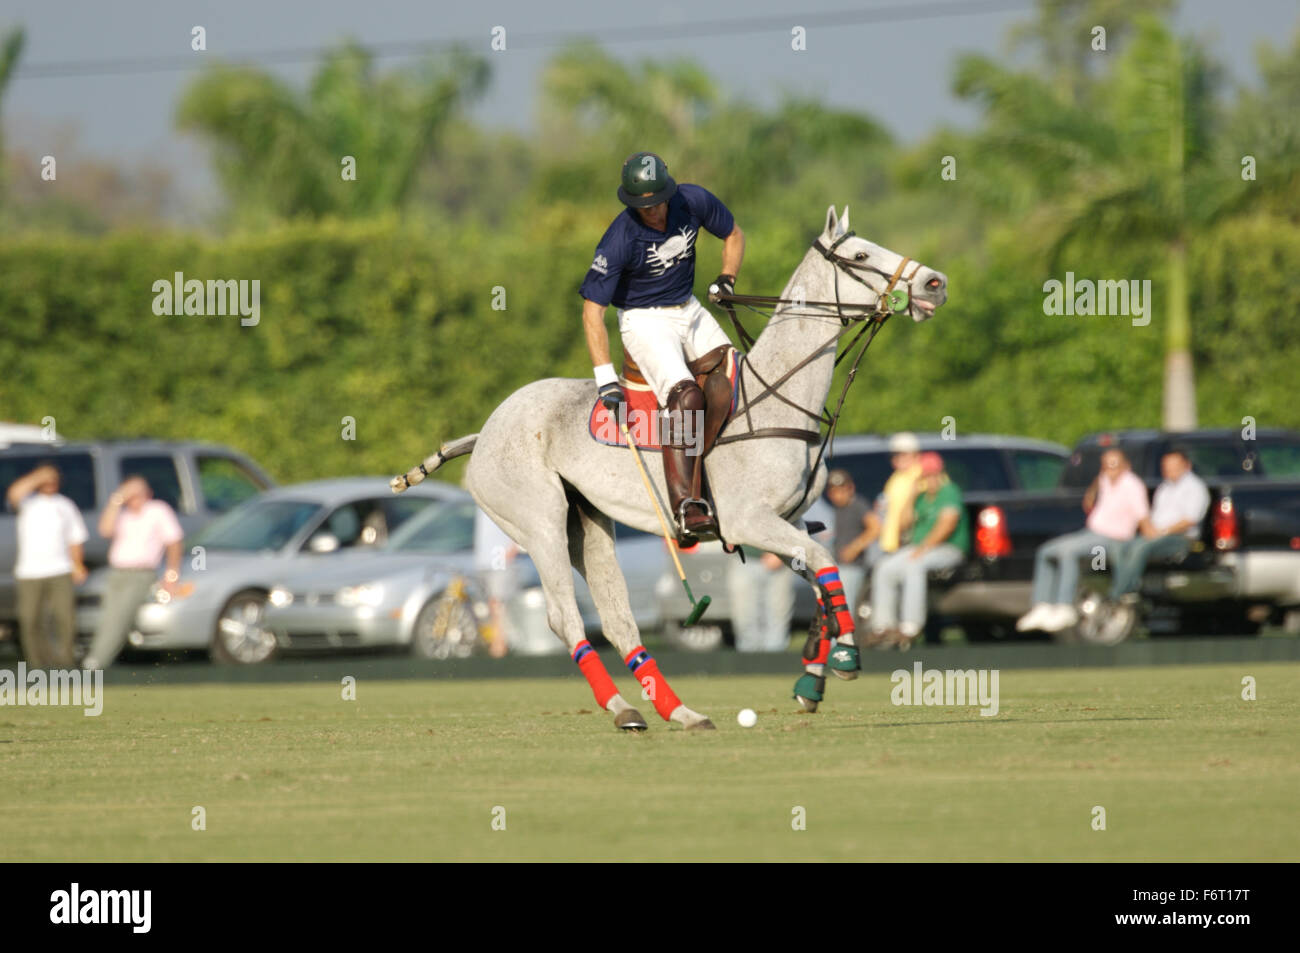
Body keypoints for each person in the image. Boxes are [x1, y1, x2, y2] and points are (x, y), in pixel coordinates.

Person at [580, 151, 745, 543]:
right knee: (686, 397)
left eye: (657, 203)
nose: (652, 212)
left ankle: (731, 478)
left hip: (690, 309)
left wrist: (726, 278)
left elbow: (733, 235)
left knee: (738, 381)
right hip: (644, 320)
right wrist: (605, 380)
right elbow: (592, 311)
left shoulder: (693, 201)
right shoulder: (620, 237)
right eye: (643, 206)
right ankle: (686, 505)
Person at [1017, 448, 1148, 633]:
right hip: (1091, 532)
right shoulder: (1105, 480)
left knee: (1067, 552)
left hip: (1112, 539)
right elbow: (1092, 494)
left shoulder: (1133, 486)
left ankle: (1065, 607)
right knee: (1046, 551)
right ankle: (1042, 606)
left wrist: (1152, 537)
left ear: (1126, 465)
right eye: (1105, 465)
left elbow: (1143, 516)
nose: (1109, 468)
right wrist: (1094, 488)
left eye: (1114, 464)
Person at [866, 452, 969, 650]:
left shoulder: (949, 491)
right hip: (920, 549)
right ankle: (883, 626)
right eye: (926, 476)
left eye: (932, 475)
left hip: (948, 549)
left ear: (940, 473)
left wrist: (923, 548)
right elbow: (904, 524)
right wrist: (911, 497)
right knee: (884, 567)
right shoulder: (921, 497)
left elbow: (947, 525)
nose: (929, 480)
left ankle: (911, 625)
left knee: (914, 565)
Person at [84, 476, 184, 670]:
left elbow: (174, 542)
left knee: (119, 614)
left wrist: (172, 575)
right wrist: (116, 501)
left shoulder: (157, 510)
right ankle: (99, 655)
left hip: (141, 573)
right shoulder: (123, 514)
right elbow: (105, 530)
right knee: (109, 614)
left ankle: (96, 660)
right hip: (118, 572)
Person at [6, 463, 89, 667]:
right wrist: (38, 476)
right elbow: (13, 494)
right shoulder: (27, 502)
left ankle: (65, 663)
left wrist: (78, 564)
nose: (50, 483)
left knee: (64, 619)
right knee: (30, 619)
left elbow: (75, 538)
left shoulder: (65, 505)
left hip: (59, 569)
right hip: (29, 571)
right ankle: (38, 664)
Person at [1108, 446, 1210, 603]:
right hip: (1156, 534)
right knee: (1120, 546)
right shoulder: (1164, 488)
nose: (1169, 470)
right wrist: (1148, 529)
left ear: (1186, 465)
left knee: (1140, 548)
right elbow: (1154, 516)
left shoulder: (1195, 488)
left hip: (1180, 538)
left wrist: (1161, 532)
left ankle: (1120, 593)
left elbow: (1190, 520)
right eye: (1166, 467)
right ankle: (1123, 586)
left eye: (1174, 466)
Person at [825, 469, 880, 613]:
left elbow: (875, 527)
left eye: (842, 490)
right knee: (833, 607)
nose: (838, 495)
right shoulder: (838, 509)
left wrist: (854, 548)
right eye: (833, 491)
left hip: (853, 566)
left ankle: (845, 635)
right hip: (838, 565)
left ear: (851, 488)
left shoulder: (858, 505)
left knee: (844, 607)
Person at [474, 507, 519, 658]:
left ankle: (500, 647)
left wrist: (513, 548)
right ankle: (496, 644)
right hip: (482, 559)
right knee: (489, 605)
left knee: (498, 602)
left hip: (500, 556)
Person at [879, 432, 923, 556]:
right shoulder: (896, 478)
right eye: (895, 455)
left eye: (903, 454)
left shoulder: (922, 475)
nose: (898, 459)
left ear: (916, 455)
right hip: (891, 544)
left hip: (910, 542)